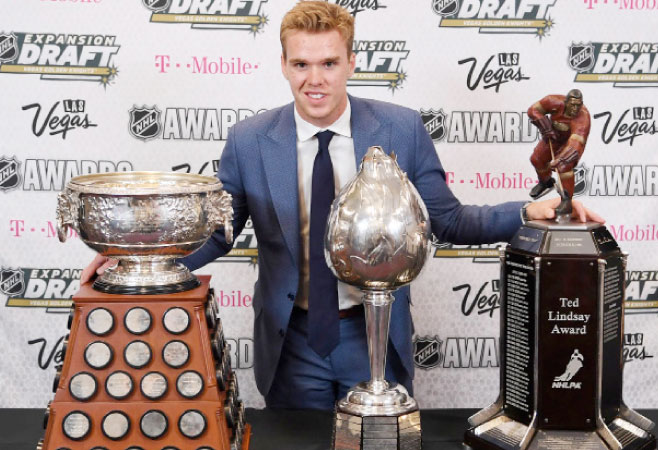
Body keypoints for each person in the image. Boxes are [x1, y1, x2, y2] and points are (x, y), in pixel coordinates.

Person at [82, 1, 603, 410]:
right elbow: (220, 231)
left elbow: (445, 220)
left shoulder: (401, 128)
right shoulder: (248, 141)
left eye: (330, 62)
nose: (316, 79)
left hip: (373, 333)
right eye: (302, 64)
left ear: (352, 61)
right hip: (293, 343)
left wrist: (528, 211)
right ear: (283, 65)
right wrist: (145, 265)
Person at [527, 89, 591, 215]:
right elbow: (533, 110)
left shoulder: (583, 118)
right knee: (536, 159)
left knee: (563, 167)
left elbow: (575, 144)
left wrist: (561, 159)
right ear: (566, 102)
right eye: (572, 105)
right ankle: (546, 181)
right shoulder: (553, 101)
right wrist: (545, 126)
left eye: (577, 105)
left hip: (570, 143)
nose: (574, 109)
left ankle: (566, 201)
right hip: (553, 136)